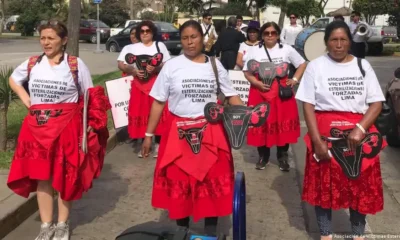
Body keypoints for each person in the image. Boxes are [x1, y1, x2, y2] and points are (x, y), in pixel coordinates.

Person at [7, 21, 110, 240]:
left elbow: (91, 95)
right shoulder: (33, 63)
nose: (46, 42)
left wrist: (92, 123)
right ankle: (46, 226)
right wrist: (27, 100)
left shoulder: (75, 65)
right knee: (41, 178)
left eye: (51, 38)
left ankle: (62, 224)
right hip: (36, 130)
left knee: (66, 176)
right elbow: (14, 80)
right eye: (43, 38)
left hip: (67, 129)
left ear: (63, 40)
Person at [142, 20, 243, 235]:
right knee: (181, 184)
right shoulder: (171, 66)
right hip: (178, 132)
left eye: (194, 37)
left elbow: (232, 96)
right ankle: (182, 233)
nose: (189, 42)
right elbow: (159, 101)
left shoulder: (215, 66)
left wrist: (248, 114)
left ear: (202, 38)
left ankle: (209, 234)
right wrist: (149, 135)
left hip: (211, 132)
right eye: (185, 38)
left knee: (210, 183)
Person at [295, 21, 385, 240]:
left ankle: (358, 235)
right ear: (326, 43)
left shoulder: (363, 66)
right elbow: (308, 104)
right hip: (326, 134)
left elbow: (376, 104)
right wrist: (316, 140)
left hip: (358, 136)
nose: (338, 45)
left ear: (349, 42)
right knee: (323, 188)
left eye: (343, 39)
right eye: (333, 40)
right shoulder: (315, 66)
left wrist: (360, 128)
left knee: (358, 187)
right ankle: (325, 235)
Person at [243, 22, 307, 171]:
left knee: (282, 123)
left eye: (273, 33)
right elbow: (247, 72)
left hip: (281, 92)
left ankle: (282, 156)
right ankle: (263, 156)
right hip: (259, 91)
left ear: (278, 35)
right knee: (261, 123)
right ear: (262, 35)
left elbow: (302, 64)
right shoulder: (254, 51)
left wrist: (295, 79)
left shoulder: (287, 49)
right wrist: (256, 83)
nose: (270, 35)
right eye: (266, 33)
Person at [117, 20, 171, 158]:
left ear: (152, 32)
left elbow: (168, 64)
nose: (145, 34)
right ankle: (143, 144)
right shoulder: (130, 48)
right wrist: (133, 70)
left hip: (156, 84)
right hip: (138, 86)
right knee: (141, 112)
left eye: (148, 31)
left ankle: (158, 144)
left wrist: (156, 68)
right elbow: (121, 64)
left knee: (158, 114)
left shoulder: (160, 46)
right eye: (142, 31)